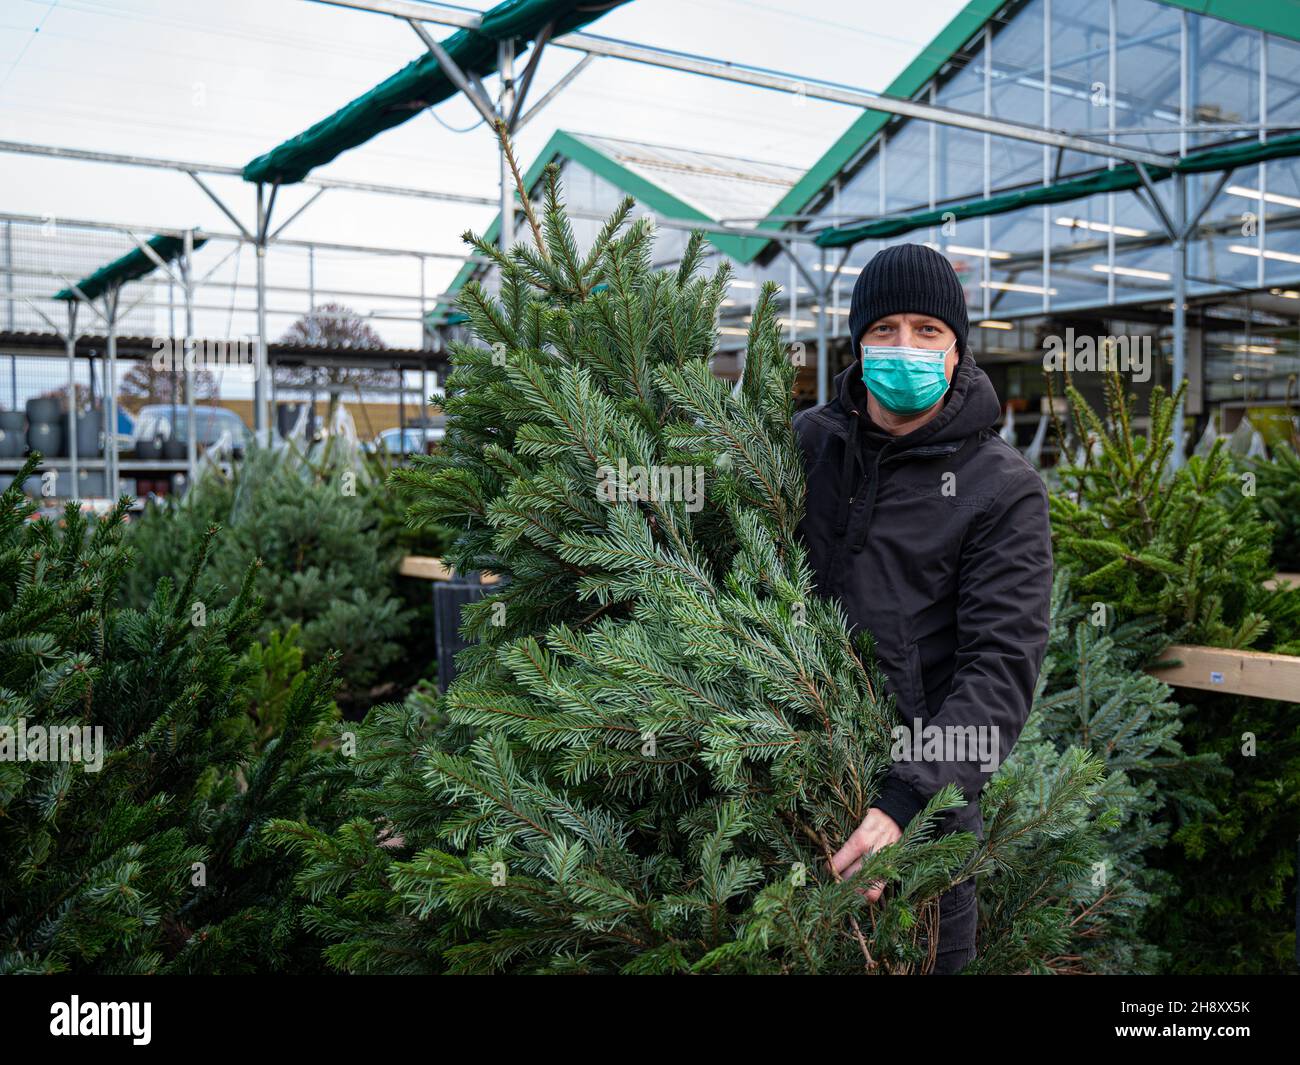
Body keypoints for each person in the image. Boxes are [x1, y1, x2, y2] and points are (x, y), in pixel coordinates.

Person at [792, 242, 1053, 974]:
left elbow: (999, 674)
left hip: (921, 832)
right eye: (886, 329)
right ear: (858, 340)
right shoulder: (805, 447)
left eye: (927, 330)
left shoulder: (1001, 487)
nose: (904, 346)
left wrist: (905, 802)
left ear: (956, 346)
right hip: (778, 800)